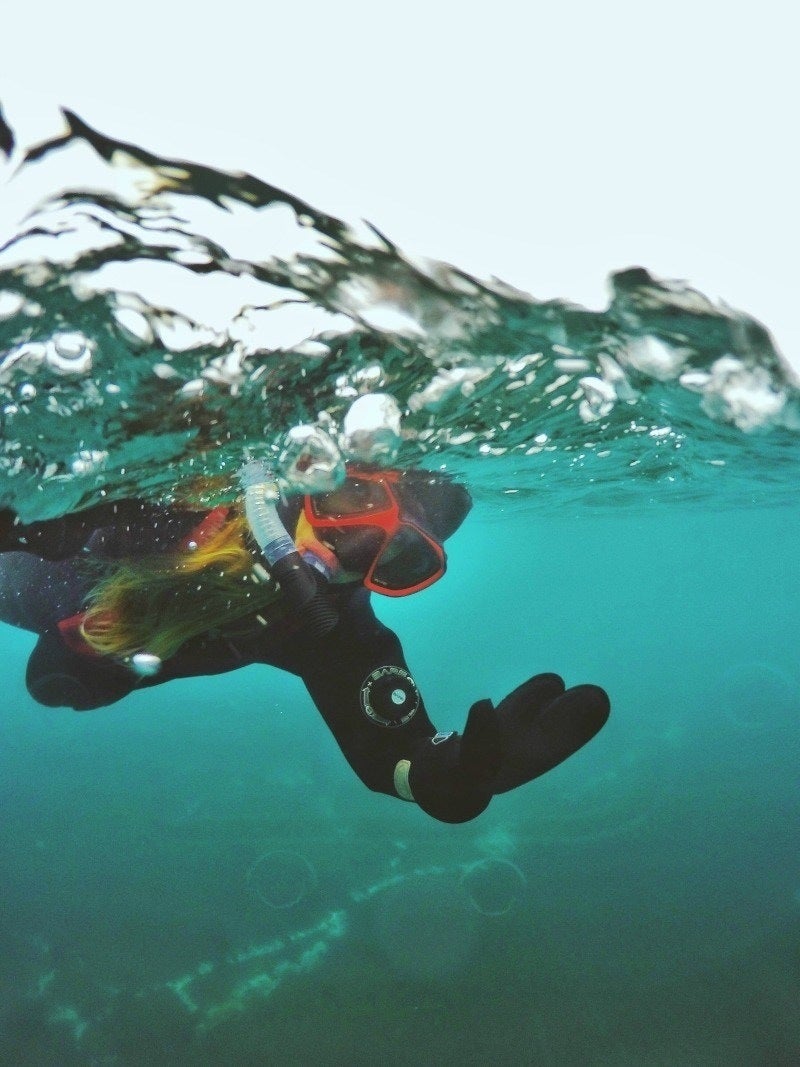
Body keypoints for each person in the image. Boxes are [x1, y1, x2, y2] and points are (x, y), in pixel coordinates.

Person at [0, 462, 609, 823]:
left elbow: (391, 750)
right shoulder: (195, 497)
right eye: (353, 503)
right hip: (31, 579)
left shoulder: (333, 631)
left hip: (66, 641)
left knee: (62, 681)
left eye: (391, 553)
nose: (347, 547)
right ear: (316, 480)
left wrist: (445, 776)